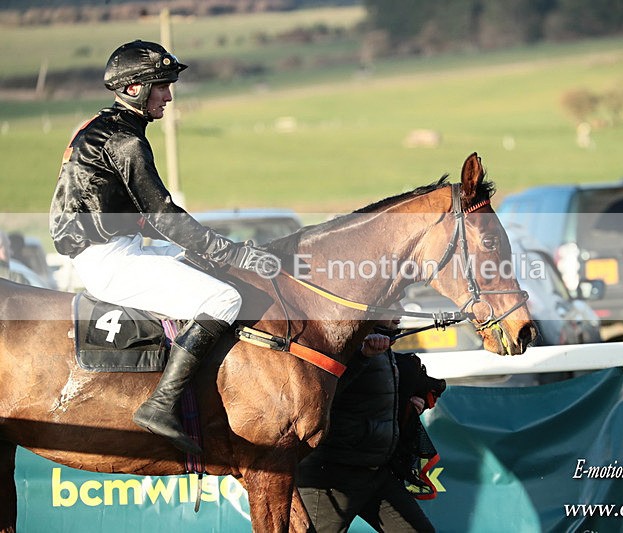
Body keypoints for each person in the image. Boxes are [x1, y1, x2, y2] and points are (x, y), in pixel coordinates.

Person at [49, 40, 265, 455]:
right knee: (223, 298)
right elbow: (163, 215)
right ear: (134, 88)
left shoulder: (105, 126)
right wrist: (230, 252)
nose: (168, 95)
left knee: (210, 274)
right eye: (161, 86)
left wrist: (214, 251)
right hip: (111, 260)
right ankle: (160, 404)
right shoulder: (124, 142)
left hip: (117, 248)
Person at [297, 314, 443, 532]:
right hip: (332, 477)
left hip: (376, 474)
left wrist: (413, 400)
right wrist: (363, 356)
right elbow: (320, 397)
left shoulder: (384, 346)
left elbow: (377, 393)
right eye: (392, 306)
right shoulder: (340, 342)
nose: (399, 313)